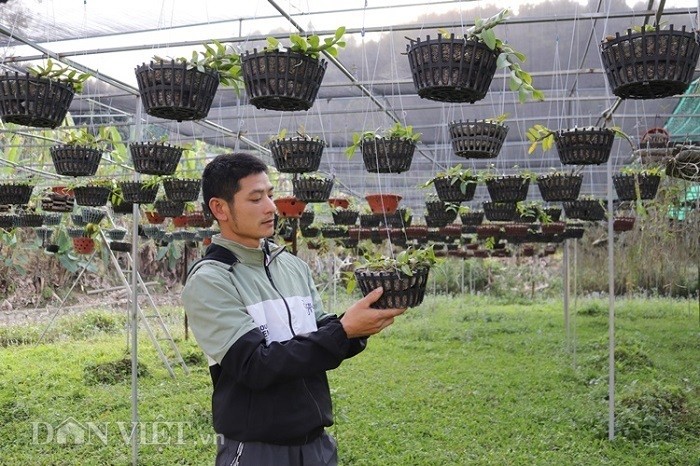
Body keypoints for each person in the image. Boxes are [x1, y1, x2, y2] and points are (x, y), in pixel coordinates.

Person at [182, 153, 406, 466]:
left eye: (270, 196)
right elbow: (254, 366)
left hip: (315, 443)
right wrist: (344, 330)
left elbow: (318, 334)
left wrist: (359, 325)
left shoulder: (291, 265)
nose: (271, 208)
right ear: (220, 208)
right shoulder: (212, 279)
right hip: (257, 449)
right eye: (256, 198)